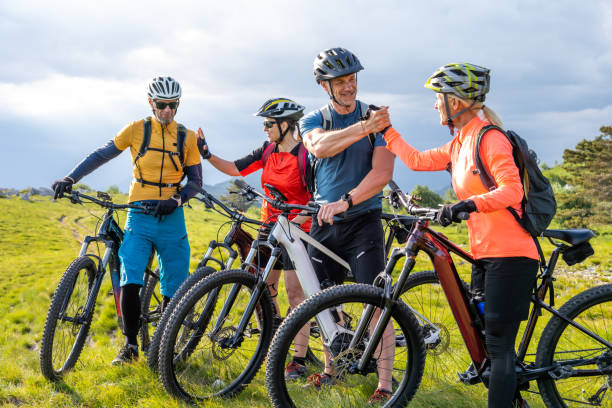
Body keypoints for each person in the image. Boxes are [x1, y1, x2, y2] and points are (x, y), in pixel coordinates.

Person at [382, 63, 538, 408]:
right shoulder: (459, 144)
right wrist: (387, 131)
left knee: (497, 347)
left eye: (439, 98)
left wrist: (466, 204)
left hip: (511, 256)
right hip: (484, 256)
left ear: (456, 101)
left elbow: (512, 191)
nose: (435, 105)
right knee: (489, 341)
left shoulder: (490, 138)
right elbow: (417, 160)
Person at [52, 76, 202, 365]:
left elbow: (196, 182)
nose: (167, 111)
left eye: (173, 105)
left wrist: (176, 200)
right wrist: (71, 177)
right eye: (161, 105)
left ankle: (164, 347)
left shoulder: (187, 137)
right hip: (140, 215)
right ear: (151, 103)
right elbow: (102, 154)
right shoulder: (136, 129)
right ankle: (131, 346)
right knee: (130, 278)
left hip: (172, 217)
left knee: (173, 284)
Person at [299, 47, 396, 403]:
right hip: (324, 223)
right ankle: (331, 372)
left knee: (375, 303)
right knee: (324, 303)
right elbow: (319, 148)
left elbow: (383, 173)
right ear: (325, 86)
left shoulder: (377, 120)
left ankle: (385, 385)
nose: (348, 87)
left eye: (352, 79)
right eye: (340, 81)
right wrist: (364, 127)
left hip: (362, 221)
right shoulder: (313, 120)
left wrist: (349, 200)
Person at [196, 97, 313, 380]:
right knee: (263, 290)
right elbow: (236, 168)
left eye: (269, 123)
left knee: (296, 294)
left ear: (287, 125)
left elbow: (315, 200)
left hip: (298, 230)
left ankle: (298, 359)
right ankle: (275, 339)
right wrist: (208, 155)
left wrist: (293, 223)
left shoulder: (306, 156)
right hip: (268, 227)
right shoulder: (267, 150)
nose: (265, 128)